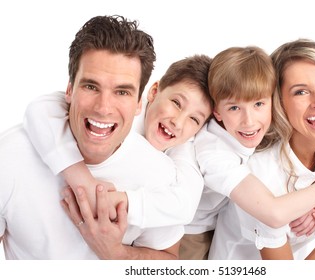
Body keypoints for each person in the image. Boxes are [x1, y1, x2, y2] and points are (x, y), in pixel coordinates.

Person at [0, 15, 191, 259]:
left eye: (122, 91)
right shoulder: (9, 156)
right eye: (91, 86)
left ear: (138, 104)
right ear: (69, 90)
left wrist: (116, 254)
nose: (103, 107)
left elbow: (170, 262)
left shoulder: (159, 174)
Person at [180, 46, 315, 260]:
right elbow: (273, 213)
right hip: (190, 230)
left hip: (222, 217)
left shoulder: (259, 129)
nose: (249, 121)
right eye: (234, 108)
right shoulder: (215, 153)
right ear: (217, 111)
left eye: (258, 104)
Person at [23, 54, 213, 229]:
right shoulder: (126, 106)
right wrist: (82, 180)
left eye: (194, 119)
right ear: (154, 91)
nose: (178, 122)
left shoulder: (183, 151)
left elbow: (185, 206)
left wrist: (114, 202)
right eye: (176, 103)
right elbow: (41, 108)